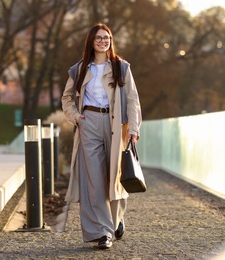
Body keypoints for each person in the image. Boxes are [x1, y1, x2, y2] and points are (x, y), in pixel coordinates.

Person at [61, 23, 142, 249]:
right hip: (89, 123)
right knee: (94, 181)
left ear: (110, 40)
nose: (103, 41)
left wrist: (134, 129)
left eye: (106, 37)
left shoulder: (121, 67)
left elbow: (133, 99)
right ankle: (103, 232)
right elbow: (66, 98)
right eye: (98, 38)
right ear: (91, 41)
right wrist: (76, 117)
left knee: (114, 178)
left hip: (116, 124)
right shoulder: (79, 69)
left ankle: (116, 219)